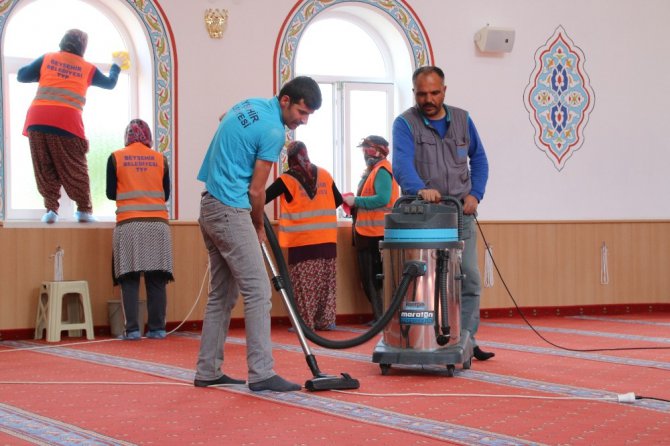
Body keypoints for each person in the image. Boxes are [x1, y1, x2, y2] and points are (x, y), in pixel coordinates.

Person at [195, 76, 322, 392]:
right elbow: (256, 190)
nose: (302, 122)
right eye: (301, 113)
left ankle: (208, 370)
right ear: (285, 101)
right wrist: (258, 226)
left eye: (308, 116)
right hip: (230, 209)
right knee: (258, 291)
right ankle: (262, 372)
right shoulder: (273, 131)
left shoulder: (248, 104)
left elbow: (224, 118)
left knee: (222, 295)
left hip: (209, 205)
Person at [392, 66, 494, 361]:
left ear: (444, 91)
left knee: (469, 278)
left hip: (460, 212)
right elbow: (401, 163)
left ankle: (466, 340)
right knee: (428, 280)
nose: (429, 99)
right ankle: (423, 338)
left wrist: (476, 194)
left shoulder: (463, 119)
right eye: (422, 94)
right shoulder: (405, 124)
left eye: (434, 92)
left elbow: (480, 159)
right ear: (414, 93)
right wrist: (419, 188)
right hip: (423, 215)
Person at [17, 29, 123, 224]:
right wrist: (116, 66)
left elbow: (22, 75)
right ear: (83, 47)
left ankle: (51, 210)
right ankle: (84, 210)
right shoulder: (87, 67)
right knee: (75, 166)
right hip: (66, 121)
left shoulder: (47, 58)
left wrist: (42, 73)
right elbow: (109, 84)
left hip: (37, 119)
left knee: (44, 164)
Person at [106, 119, 173, 340]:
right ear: (148, 136)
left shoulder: (116, 157)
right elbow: (166, 193)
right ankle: (157, 329)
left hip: (129, 224)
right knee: (156, 279)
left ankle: (132, 330)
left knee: (129, 278)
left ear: (127, 135)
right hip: (157, 224)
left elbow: (109, 193)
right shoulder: (160, 159)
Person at [265, 140, 343, 331]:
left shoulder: (288, 179)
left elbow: (263, 197)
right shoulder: (324, 173)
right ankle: (326, 321)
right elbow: (339, 200)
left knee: (304, 288)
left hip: (302, 241)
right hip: (327, 239)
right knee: (326, 285)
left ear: (290, 159)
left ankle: (305, 324)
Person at [343, 135, 398, 325]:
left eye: (368, 148)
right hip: (367, 233)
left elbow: (382, 199)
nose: (365, 153)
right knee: (370, 278)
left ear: (379, 150)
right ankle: (379, 316)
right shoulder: (372, 171)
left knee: (376, 278)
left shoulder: (382, 170)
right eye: (364, 149)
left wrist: (355, 201)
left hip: (376, 234)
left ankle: (382, 318)